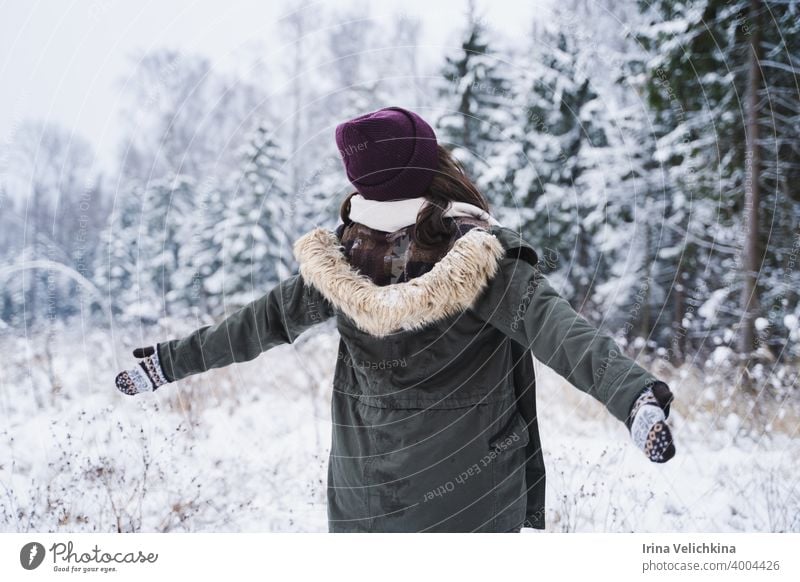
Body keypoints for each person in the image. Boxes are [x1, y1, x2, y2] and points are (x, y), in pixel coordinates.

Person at [115, 106, 676, 533]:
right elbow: (565, 336)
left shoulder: (341, 263)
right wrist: (635, 399)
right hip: (473, 508)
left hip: (366, 503)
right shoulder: (484, 263)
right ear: (430, 167)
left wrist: (168, 362)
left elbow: (252, 327)